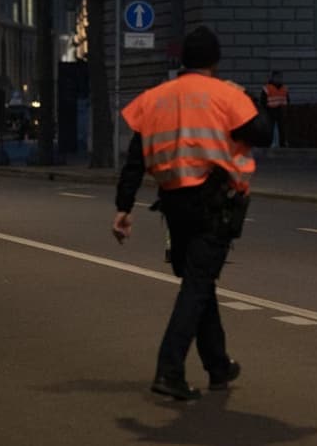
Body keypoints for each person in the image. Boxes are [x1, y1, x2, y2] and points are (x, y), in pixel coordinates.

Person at [112, 25, 270, 401]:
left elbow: (134, 161)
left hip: (173, 204)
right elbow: (262, 132)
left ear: (184, 60)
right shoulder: (224, 94)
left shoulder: (155, 98)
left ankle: (218, 366)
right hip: (214, 202)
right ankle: (169, 370)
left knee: (200, 283)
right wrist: (246, 96)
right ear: (214, 60)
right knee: (198, 285)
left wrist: (123, 208)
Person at [260, 70, 290, 148]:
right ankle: (270, 143)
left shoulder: (284, 88)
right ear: (273, 78)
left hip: (281, 111)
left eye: (280, 77)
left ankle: (282, 143)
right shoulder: (267, 88)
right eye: (277, 77)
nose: (279, 79)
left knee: (282, 129)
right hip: (270, 111)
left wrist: (286, 109)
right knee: (270, 128)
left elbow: (287, 100)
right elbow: (262, 101)